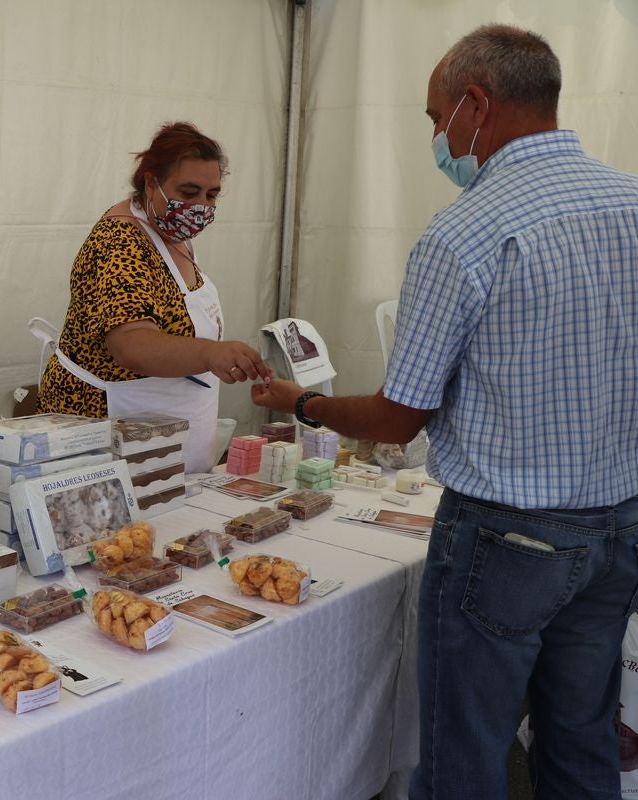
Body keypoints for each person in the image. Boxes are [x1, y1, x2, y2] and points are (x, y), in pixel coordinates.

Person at [252, 24, 638, 799]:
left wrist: (307, 402)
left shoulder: (466, 231)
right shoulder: (630, 202)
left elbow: (400, 418)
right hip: (618, 524)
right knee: (581, 736)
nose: (436, 137)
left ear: (475, 105)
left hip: (507, 536)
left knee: (466, 753)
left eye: (435, 119)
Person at [36, 122, 270, 472]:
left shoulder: (171, 230)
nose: (200, 206)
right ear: (151, 182)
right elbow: (131, 344)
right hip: (105, 434)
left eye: (211, 195)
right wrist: (211, 353)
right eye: (188, 191)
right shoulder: (119, 241)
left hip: (164, 437)